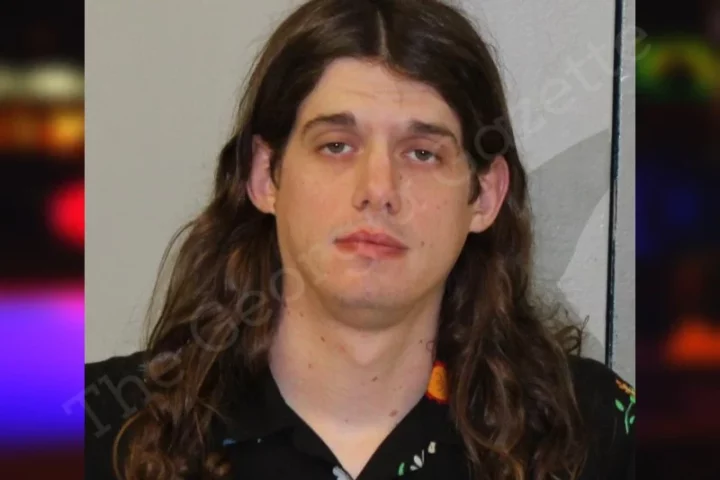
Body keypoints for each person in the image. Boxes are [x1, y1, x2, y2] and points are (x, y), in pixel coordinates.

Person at [84, 1, 635, 479]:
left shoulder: (592, 433)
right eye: (336, 145)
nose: (378, 190)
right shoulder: (99, 432)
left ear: (485, 196)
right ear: (265, 176)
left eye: (422, 153)